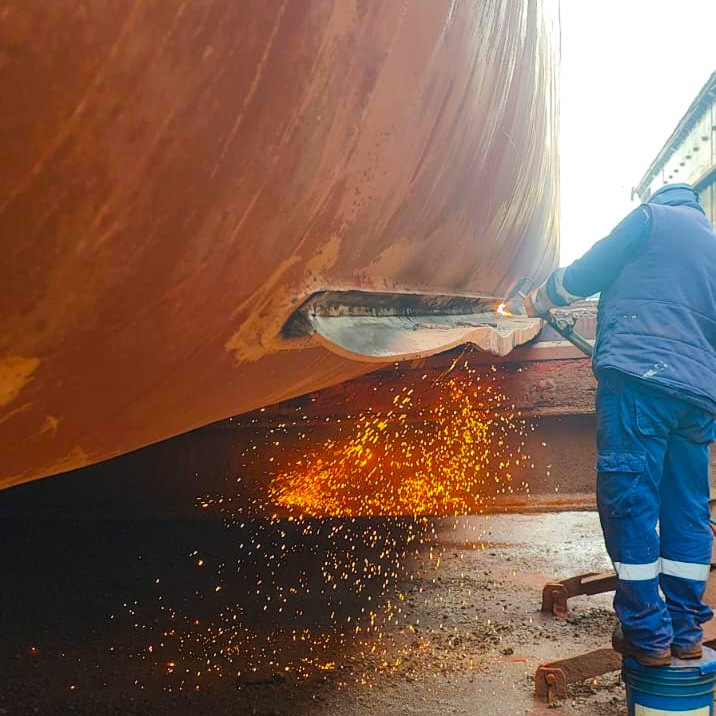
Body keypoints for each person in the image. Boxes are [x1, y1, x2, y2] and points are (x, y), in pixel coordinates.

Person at [525, 183, 716, 666]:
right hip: (697, 400)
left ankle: (646, 633)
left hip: (639, 384)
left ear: (660, 198)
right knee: (688, 509)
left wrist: (541, 298)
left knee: (629, 502)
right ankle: (685, 632)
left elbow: (588, 271)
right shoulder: (712, 245)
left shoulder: (650, 219)